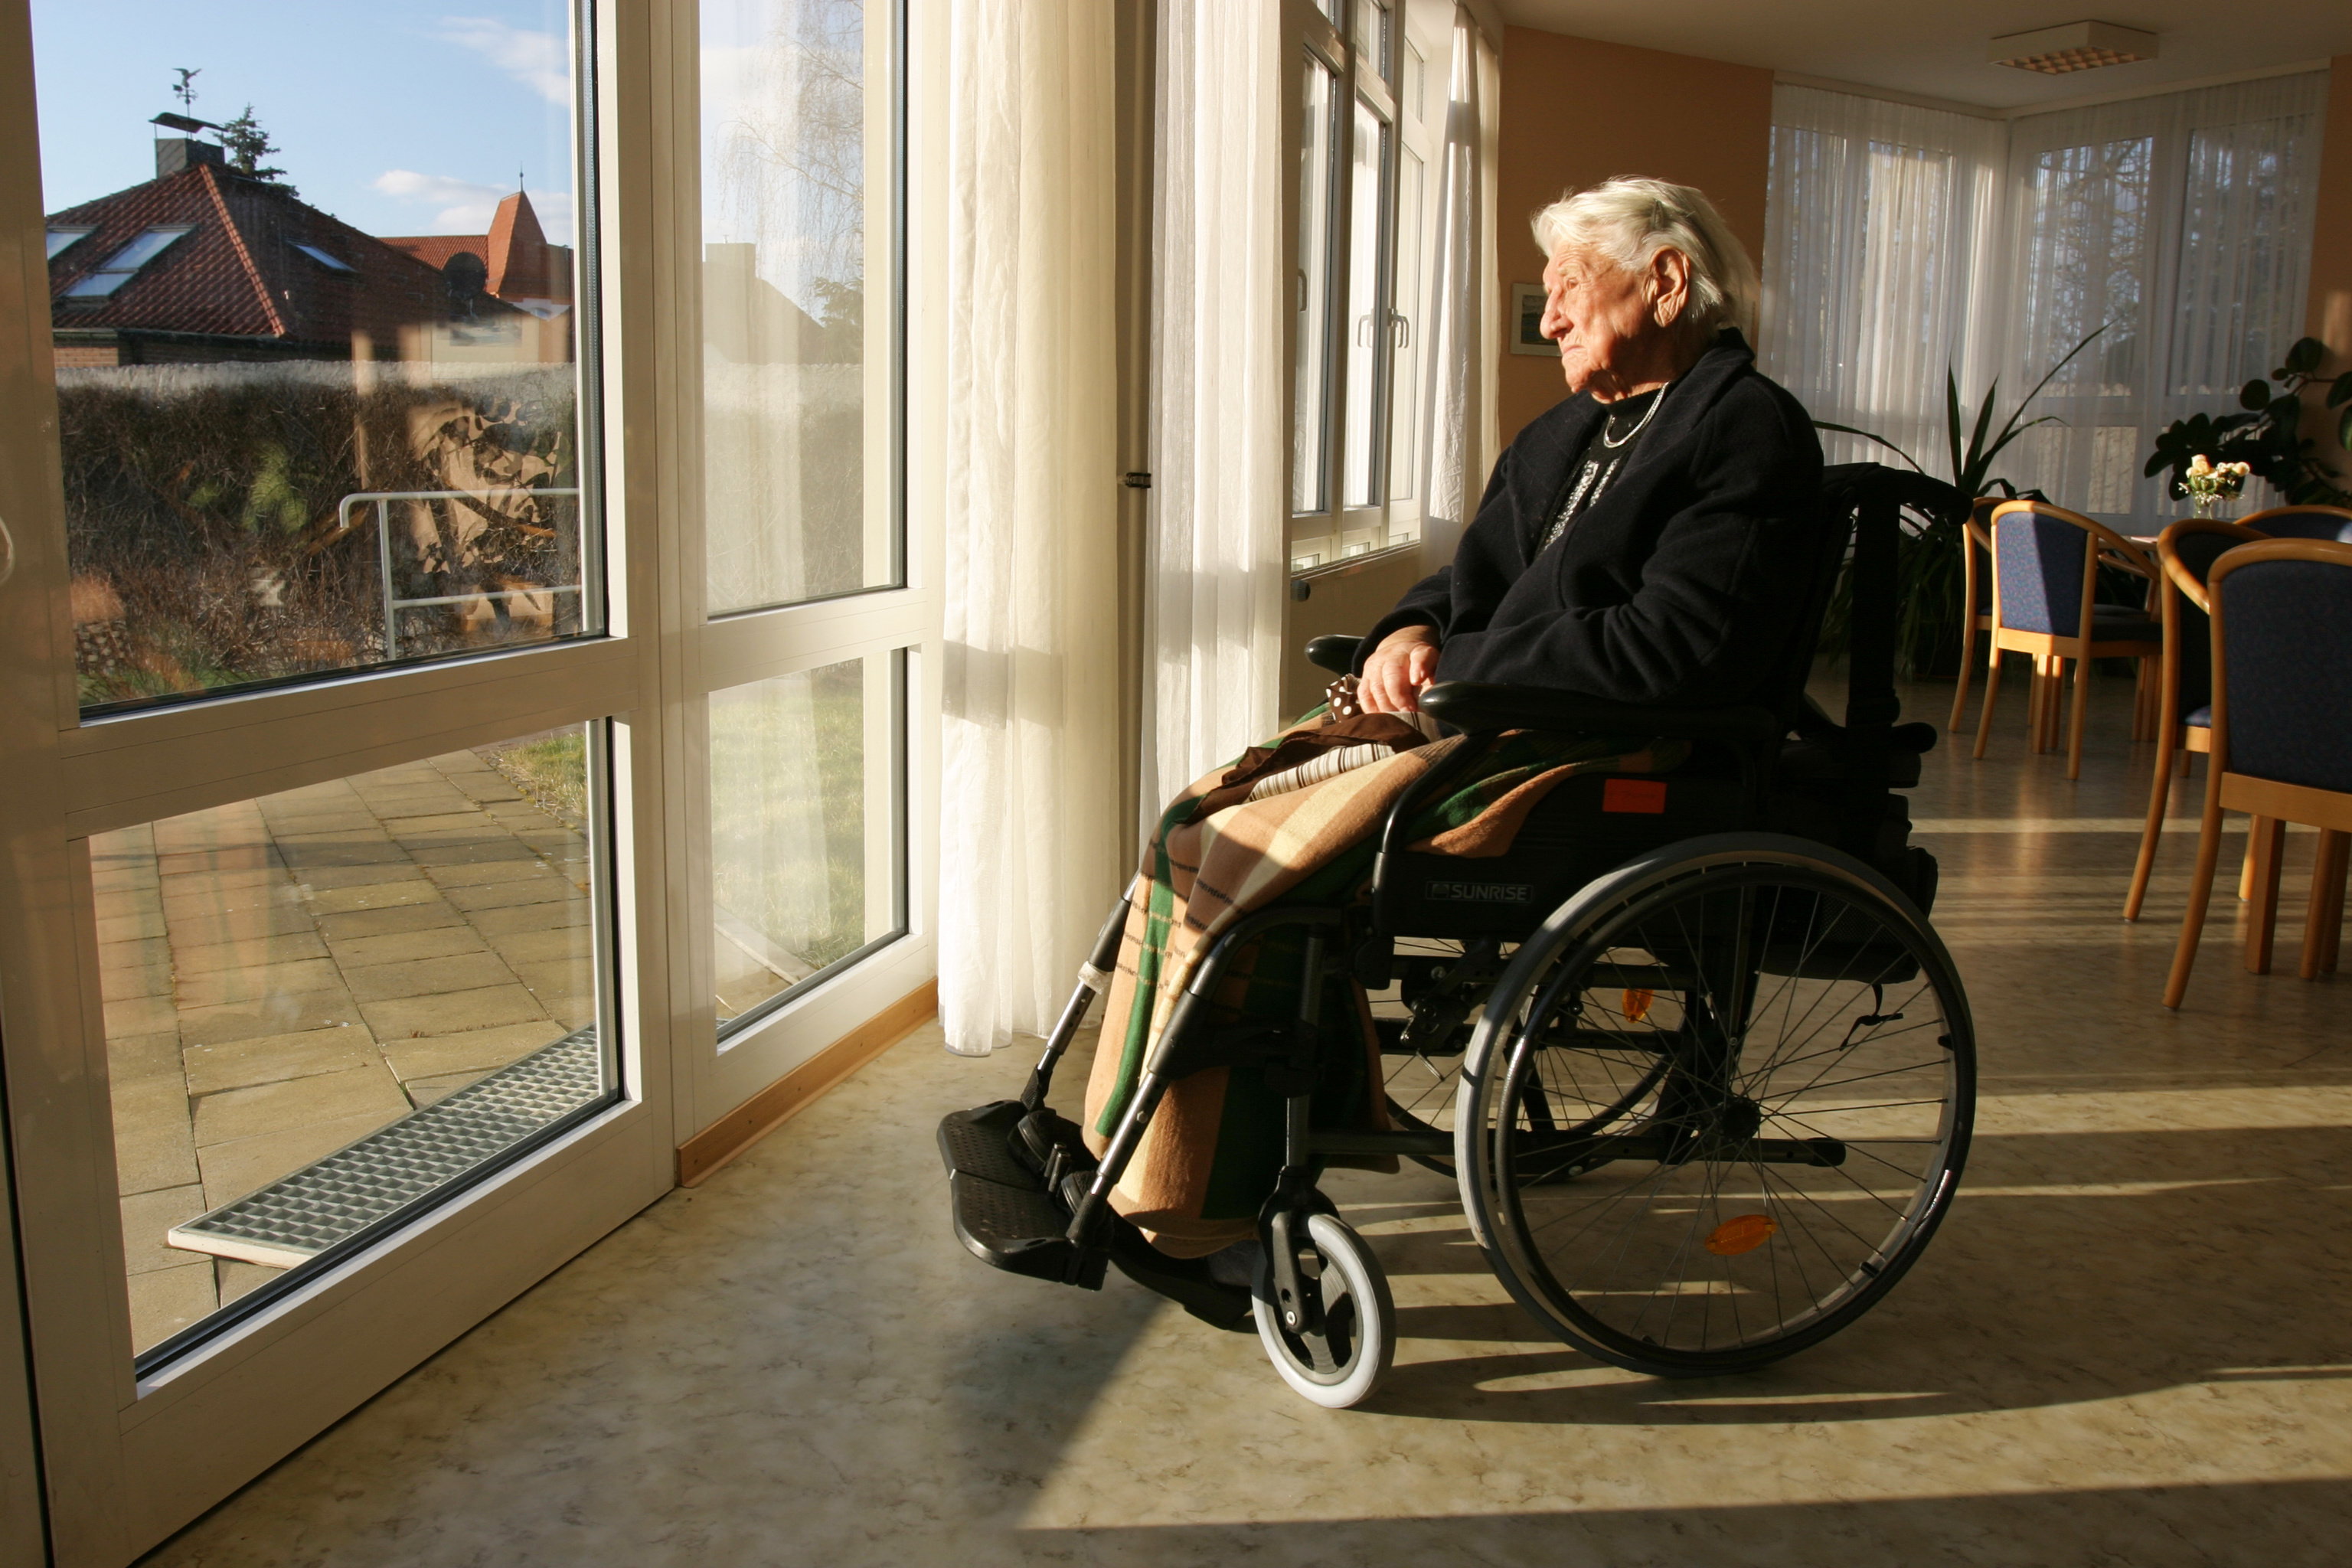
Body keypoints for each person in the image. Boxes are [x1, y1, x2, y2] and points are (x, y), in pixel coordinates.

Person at [1352, 177, 1824, 716]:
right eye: (1549, 293)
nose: (1550, 321)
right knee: (1248, 783)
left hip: (1598, 742)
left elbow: (1675, 648)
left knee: (1269, 800)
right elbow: (1477, 574)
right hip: (1481, 710)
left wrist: (1459, 662)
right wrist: (1405, 638)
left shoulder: (1743, 426)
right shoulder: (1559, 432)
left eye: (1570, 286)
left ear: (1665, 282)